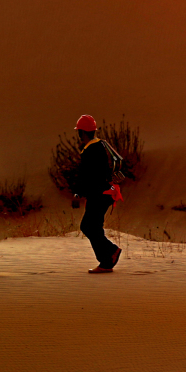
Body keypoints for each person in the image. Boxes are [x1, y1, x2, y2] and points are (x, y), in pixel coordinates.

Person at [72, 115, 122, 273]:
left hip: (99, 194)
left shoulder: (91, 150)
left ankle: (110, 253)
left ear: (81, 132)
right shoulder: (99, 145)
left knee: (88, 226)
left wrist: (78, 193)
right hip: (103, 193)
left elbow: (87, 175)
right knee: (94, 227)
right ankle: (107, 261)